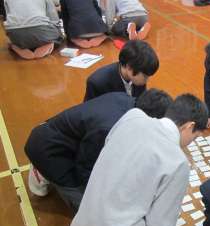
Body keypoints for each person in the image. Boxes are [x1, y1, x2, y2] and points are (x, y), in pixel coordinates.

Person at [69, 94, 208, 226]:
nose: (191, 143)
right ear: (189, 126)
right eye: (195, 137)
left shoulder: (132, 117)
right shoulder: (178, 161)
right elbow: (158, 225)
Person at [26, 87, 173, 212]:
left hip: (67, 138)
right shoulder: (108, 128)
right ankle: (41, 172)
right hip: (48, 150)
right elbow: (85, 167)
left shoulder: (125, 100)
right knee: (92, 212)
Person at [84, 40, 159, 101]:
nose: (147, 80)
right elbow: (89, 112)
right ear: (129, 67)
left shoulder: (139, 73)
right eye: (145, 76)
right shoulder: (97, 83)